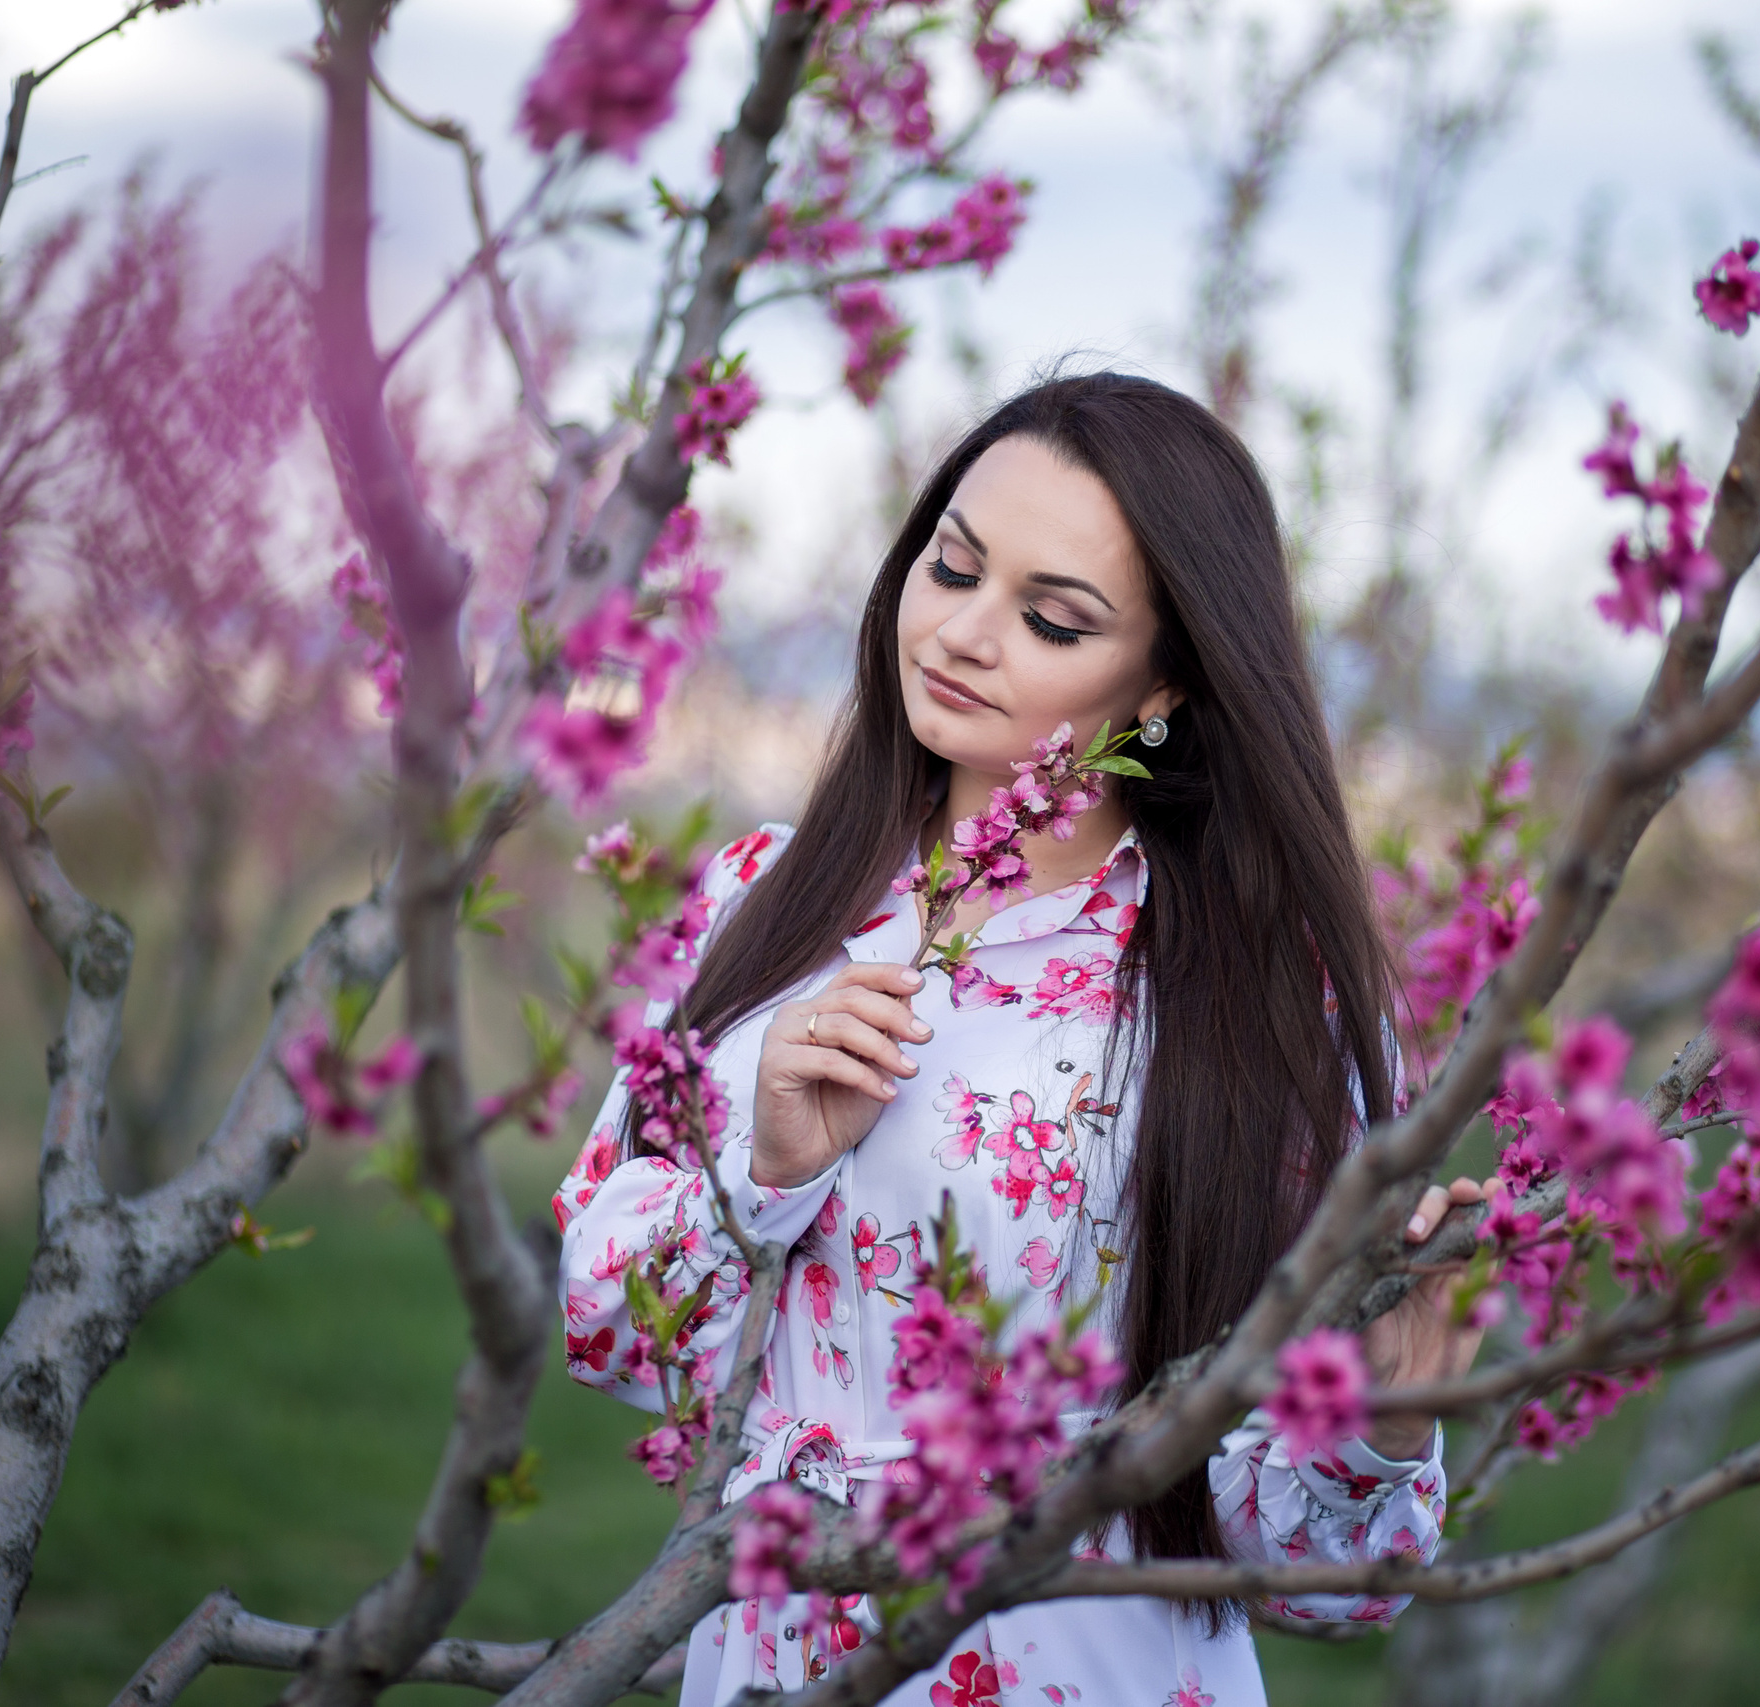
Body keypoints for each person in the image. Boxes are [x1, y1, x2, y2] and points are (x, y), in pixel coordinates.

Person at [555, 371, 1496, 1705]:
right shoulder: (763, 898)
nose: (961, 633)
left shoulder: (1256, 993)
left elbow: (1312, 1578)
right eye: (952, 565)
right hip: (776, 1650)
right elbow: (607, 1337)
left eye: (1052, 619)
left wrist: (1387, 1429)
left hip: (1085, 1654)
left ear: (1166, 680)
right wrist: (760, 1182)